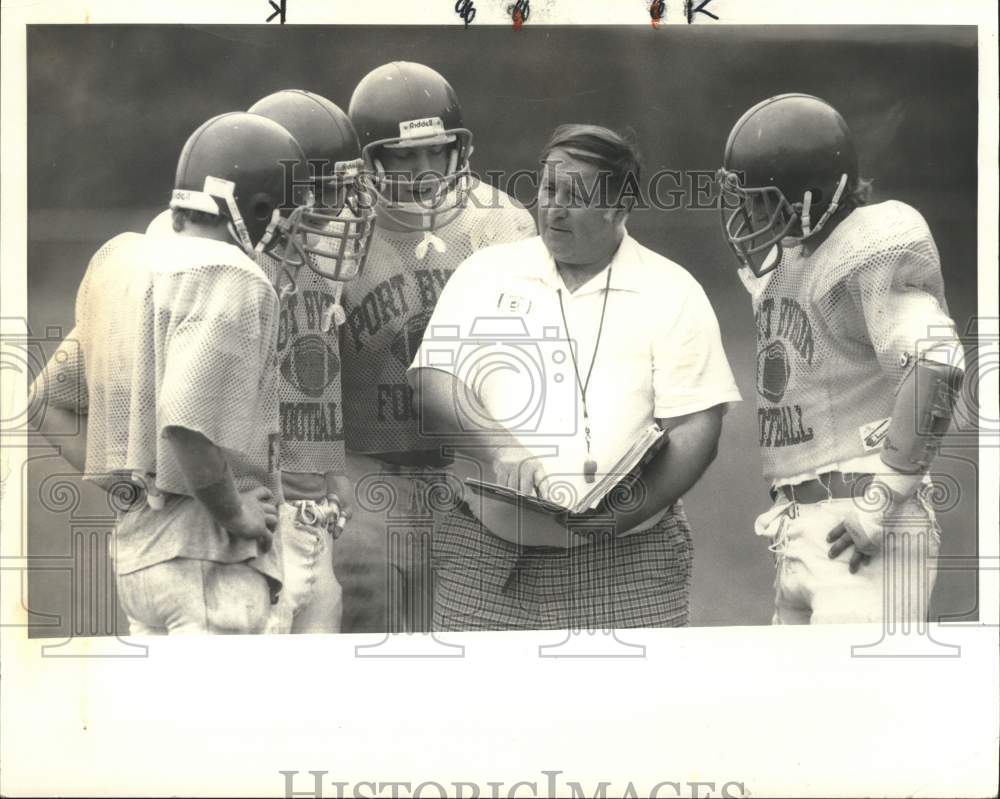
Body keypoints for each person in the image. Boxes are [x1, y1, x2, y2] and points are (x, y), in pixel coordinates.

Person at [409, 124, 742, 631]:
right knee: (477, 709)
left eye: (576, 196)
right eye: (547, 189)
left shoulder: (672, 290)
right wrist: (501, 449)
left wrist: (614, 520)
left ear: (619, 206)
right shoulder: (486, 272)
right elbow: (433, 382)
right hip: (484, 554)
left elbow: (696, 428)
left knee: (626, 709)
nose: (553, 209)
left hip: (628, 563)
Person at [31, 112, 313, 634]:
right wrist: (233, 514)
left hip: (142, 561)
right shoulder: (229, 276)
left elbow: (46, 402)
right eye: (292, 218)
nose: (295, 235)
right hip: (209, 562)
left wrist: (130, 487)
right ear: (257, 209)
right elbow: (185, 422)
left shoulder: (131, 260)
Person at [716, 93, 965, 624]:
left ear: (809, 195)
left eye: (762, 198)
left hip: (861, 520)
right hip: (799, 525)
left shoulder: (869, 243)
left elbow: (936, 362)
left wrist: (883, 499)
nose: (749, 213)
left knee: (849, 703)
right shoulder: (794, 261)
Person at [334, 61, 536, 633]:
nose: (423, 169)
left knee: (469, 644)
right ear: (369, 158)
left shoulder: (499, 223)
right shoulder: (338, 229)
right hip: (368, 472)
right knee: (366, 616)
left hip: (469, 471)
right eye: (401, 154)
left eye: (435, 149)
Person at [247, 89, 376, 633]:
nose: (344, 209)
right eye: (325, 192)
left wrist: (329, 474)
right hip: (257, 528)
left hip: (315, 521)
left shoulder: (319, 269)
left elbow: (311, 380)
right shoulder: (228, 274)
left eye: (347, 188)